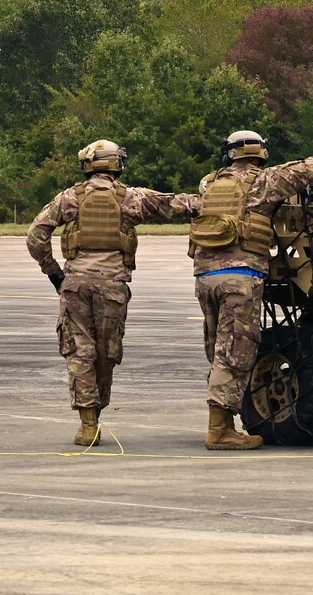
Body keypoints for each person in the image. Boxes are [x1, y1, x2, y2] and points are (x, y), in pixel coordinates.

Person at [26, 140, 198, 446]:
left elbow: (36, 235)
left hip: (75, 285)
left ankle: (87, 423)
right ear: (117, 165)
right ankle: (96, 412)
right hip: (113, 288)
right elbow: (174, 205)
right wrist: (212, 200)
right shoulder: (131, 197)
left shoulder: (69, 198)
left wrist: (53, 271)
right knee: (106, 354)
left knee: (80, 353)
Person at [187, 132, 313, 450]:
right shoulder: (264, 181)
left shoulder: (209, 184)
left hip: (206, 278)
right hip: (240, 279)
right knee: (234, 354)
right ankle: (220, 430)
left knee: (217, 350)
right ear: (260, 155)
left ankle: (222, 424)